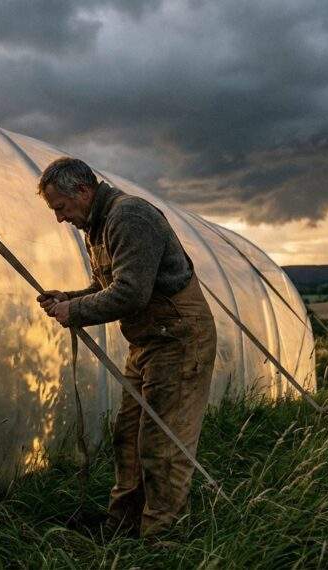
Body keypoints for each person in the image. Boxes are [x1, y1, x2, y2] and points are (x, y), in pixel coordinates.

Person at [35, 157, 217, 538]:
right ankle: (122, 525)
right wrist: (68, 298)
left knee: (161, 442)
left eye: (60, 208)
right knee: (128, 435)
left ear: (82, 191)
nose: (59, 218)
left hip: (179, 339)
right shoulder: (98, 225)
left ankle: (160, 537)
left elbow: (131, 293)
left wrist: (75, 310)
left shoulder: (129, 216)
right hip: (150, 341)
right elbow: (110, 286)